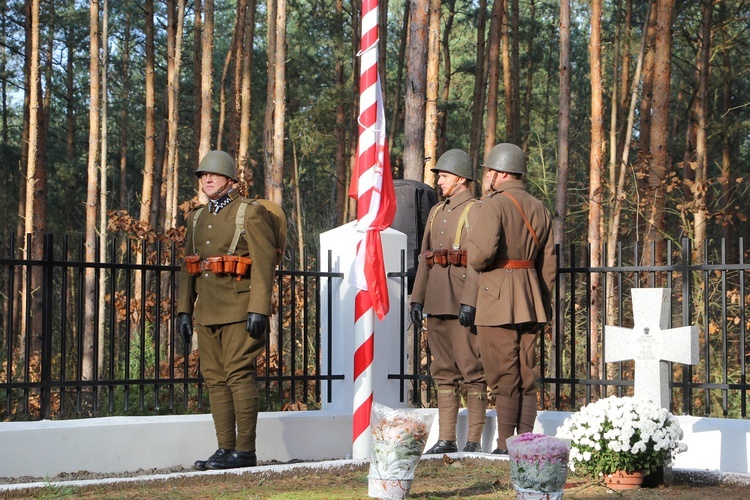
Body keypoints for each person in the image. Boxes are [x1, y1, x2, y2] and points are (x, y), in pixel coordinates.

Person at [177, 150, 278, 470]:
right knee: (214, 379)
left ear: (231, 180)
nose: (206, 179)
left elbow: (264, 263)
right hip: (207, 310)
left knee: (238, 375)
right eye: (202, 176)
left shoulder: (248, 212)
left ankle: (245, 450)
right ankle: (225, 449)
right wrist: (183, 310)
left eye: (214, 175)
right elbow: (188, 268)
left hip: (239, 308)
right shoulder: (196, 217)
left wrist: (259, 309)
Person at [466, 143, 556, 455]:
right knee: (527, 375)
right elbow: (548, 264)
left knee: (503, 374)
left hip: (497, 299)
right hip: (531, 298)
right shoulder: (539, 207)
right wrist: (543, 302)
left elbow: (480, 256)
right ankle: (527, 442)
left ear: (502, 172)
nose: (487, 176)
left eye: (490, 170)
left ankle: (505, 445)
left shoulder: (494, 205)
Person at [410, 149, 487, 454]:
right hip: (437, 301)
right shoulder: (436, 212)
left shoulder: (478, 210)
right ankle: (446, 439)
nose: (439, 181)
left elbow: (479, 262)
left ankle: (474, 440)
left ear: (461, 178)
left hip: (461, 303)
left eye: (444, 176)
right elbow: (426, 258)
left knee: (472, 369)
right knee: (442, 371)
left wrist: (470, 302)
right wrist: (417, 300)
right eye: (439, 176)